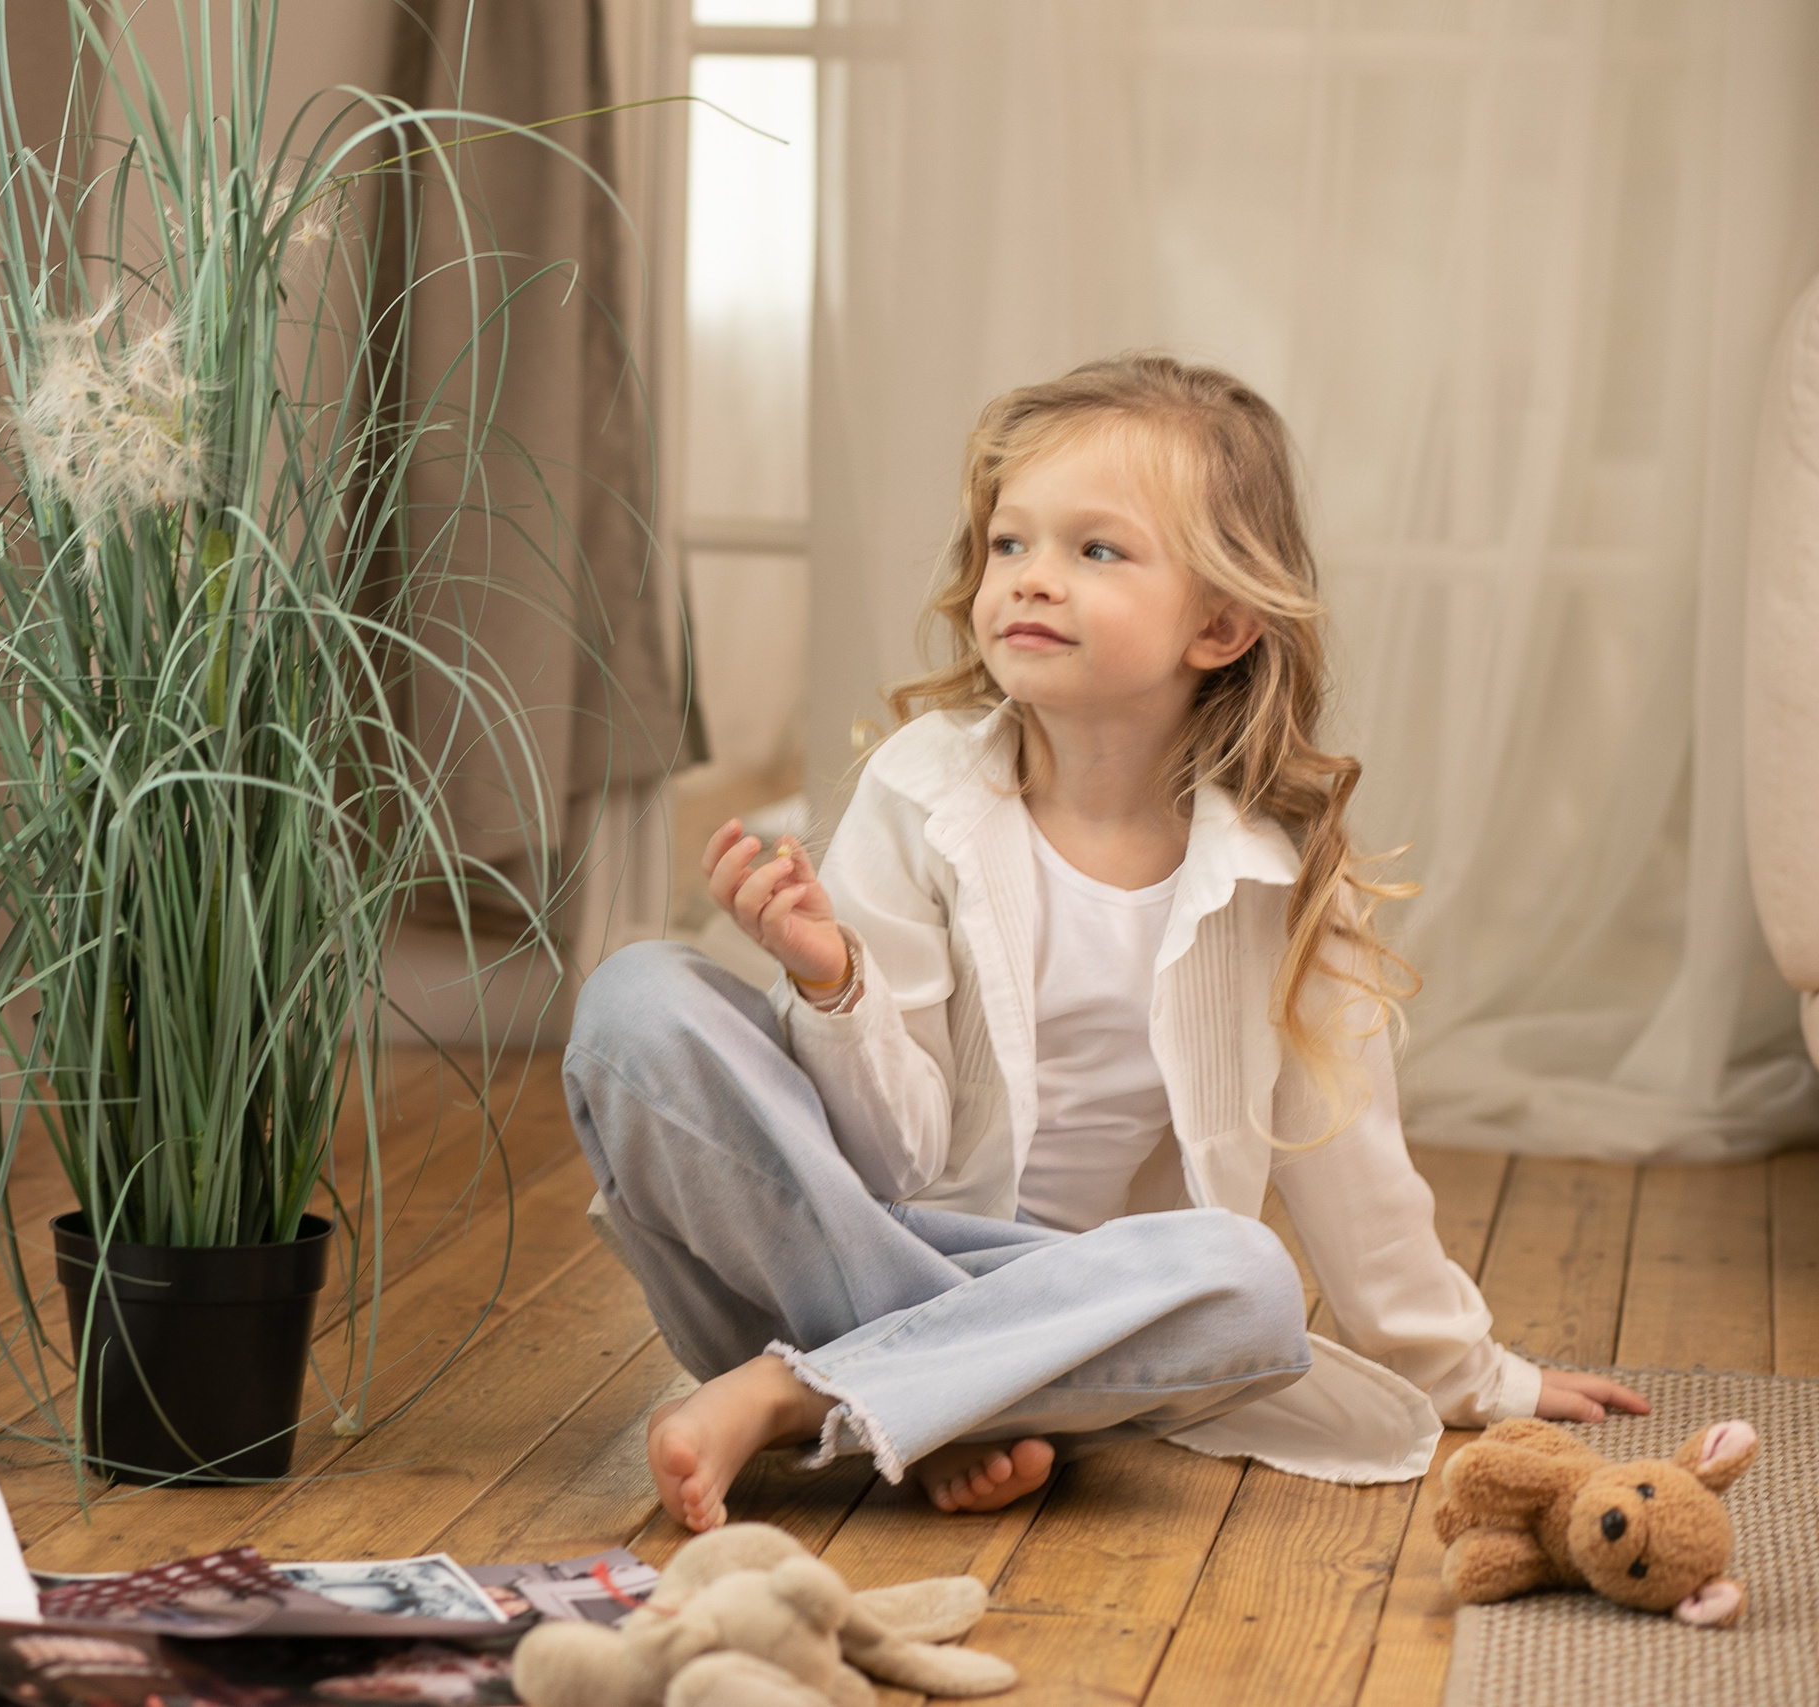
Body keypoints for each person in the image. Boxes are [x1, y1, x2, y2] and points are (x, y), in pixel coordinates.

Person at [565, 354, 1646, 1534]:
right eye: (1008, 544)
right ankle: (933, 1400)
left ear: (1221, 623)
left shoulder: (1280, 874)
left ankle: (808, 1392)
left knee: (1245, 1277)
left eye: (1096, 550)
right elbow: (889, 1159)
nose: (1030, 580)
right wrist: (831, 984)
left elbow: (1354, 1163)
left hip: (1087, 1308)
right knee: (636, 998)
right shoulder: (918, 791)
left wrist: (1477, 1376)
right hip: (850, 1239)